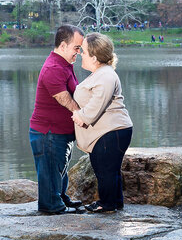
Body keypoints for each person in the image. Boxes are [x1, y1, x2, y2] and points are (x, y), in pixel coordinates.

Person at [72, 32, 133, 213]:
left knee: (106, 169)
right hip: (108, 131)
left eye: (83, 51)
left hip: (112, 131)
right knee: (106, 169)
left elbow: (97, 104)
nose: (80, 54)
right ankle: (113, 202)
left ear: (95, 57)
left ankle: (107, 204)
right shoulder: (100, 73)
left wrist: (80, 116)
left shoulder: (106, 75)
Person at [29, 25, 86, 214]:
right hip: (48, 133)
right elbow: (65, 99)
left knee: (59, 170)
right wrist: (84, 118)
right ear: (63, 46)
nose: (79, 52)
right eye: (76, 48)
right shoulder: (53, 67)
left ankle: (60, 198)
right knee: (50, 171)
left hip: (59, 133)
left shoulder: (64, 65)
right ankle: (52, 206)